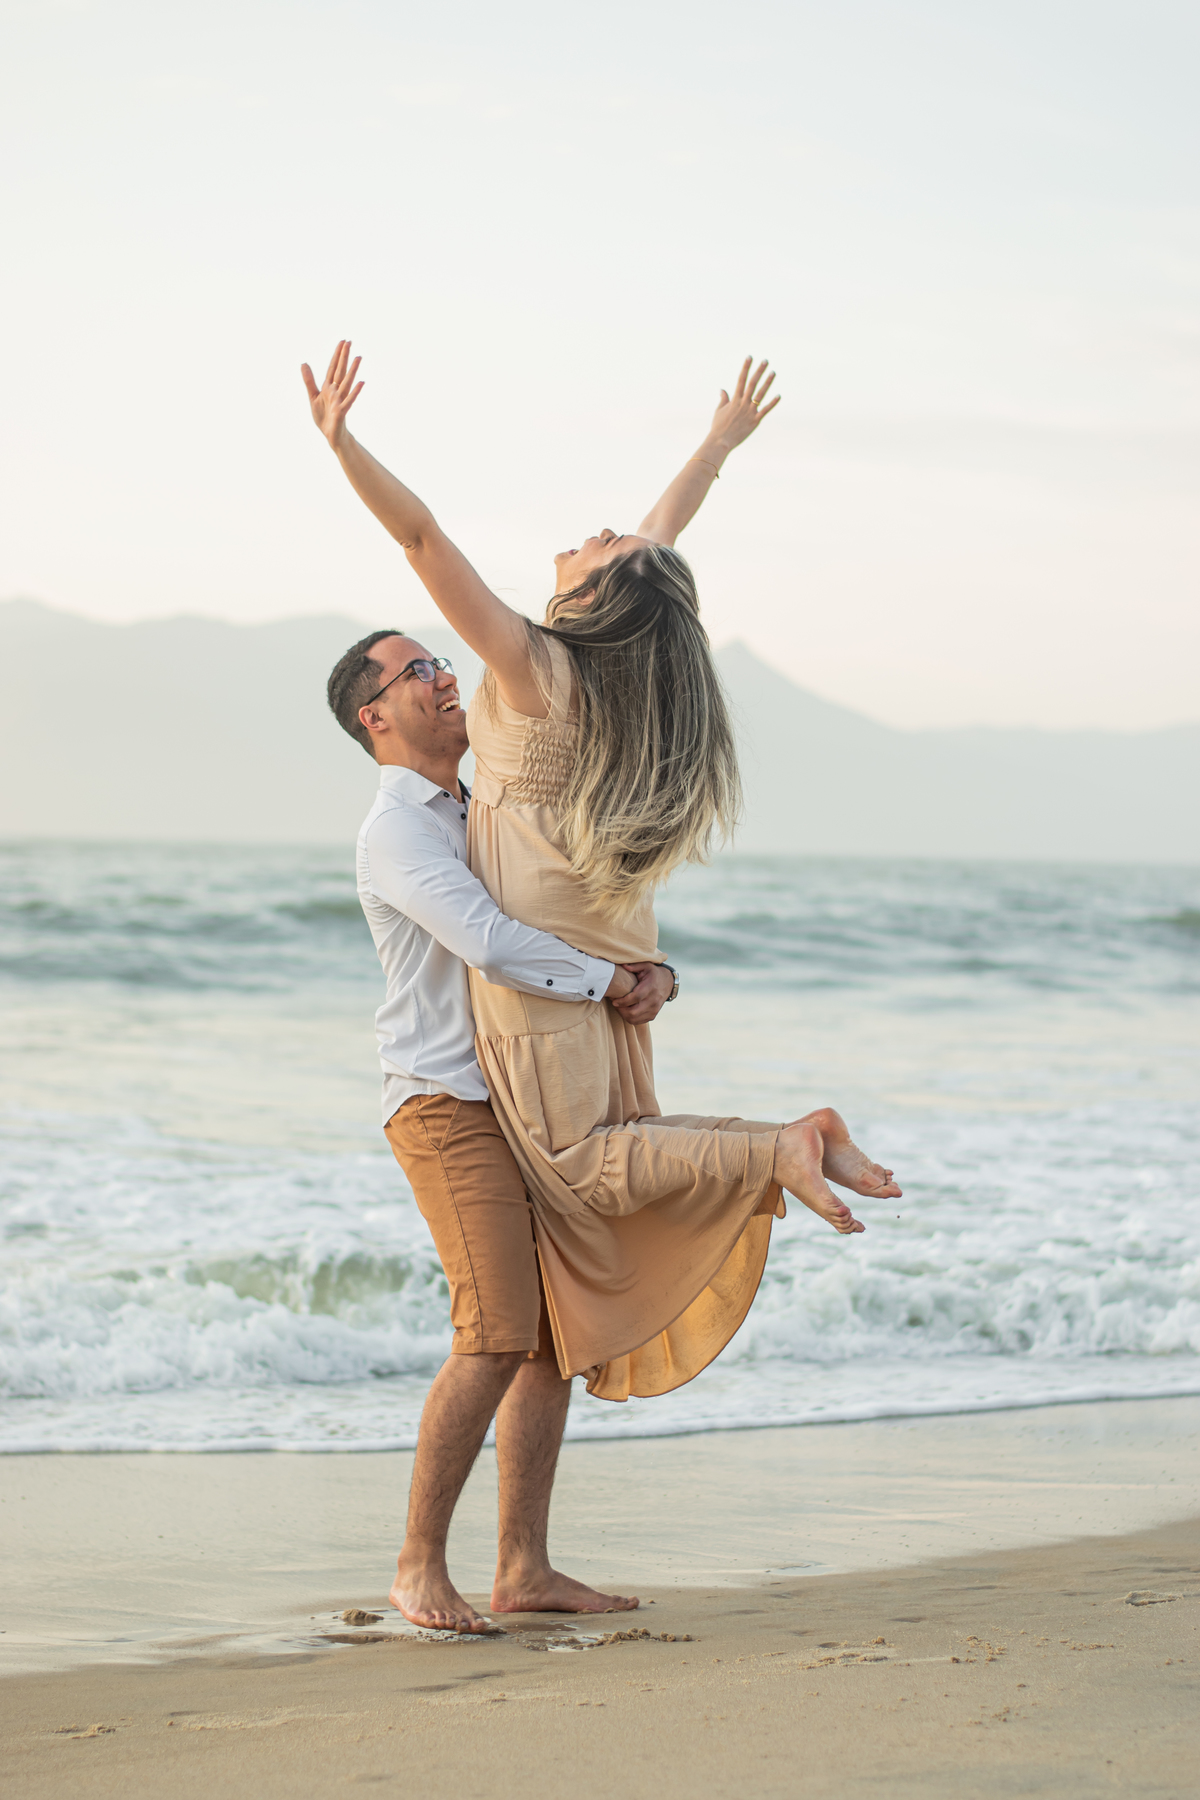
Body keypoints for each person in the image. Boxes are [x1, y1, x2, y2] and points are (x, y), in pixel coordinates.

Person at [304, 340, 900, 1408]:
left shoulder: (533, 670)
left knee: (587, 1165)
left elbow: (421, 536)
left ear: (600, 594)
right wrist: (714, 446)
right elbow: (660, 546)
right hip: (611, 962)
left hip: (561, 985)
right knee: (619, 1158)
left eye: (601, 545)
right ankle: (783, 1145)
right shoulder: (625, 673)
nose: (590, 535)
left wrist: (344, 445)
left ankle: (782, 1145)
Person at [326, 625, 671, 1633]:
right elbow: (488, 940)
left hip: (522, 1097)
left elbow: (567, 911)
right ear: (374, 716)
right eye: (419, 671)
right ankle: (416, 1566)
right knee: (493, 1334)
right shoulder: (396, 830)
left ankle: (523, 1567)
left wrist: (650, 969)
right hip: (444, 1103)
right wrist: (609, 983)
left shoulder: (487, 809)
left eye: (442, 661)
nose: (446, 679)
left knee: (548, 1341)